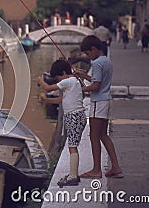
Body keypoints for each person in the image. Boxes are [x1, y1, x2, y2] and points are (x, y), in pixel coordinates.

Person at [75, 35, 123, 179]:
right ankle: (115, 167)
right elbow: (99, 82)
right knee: (103, 135)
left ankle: (96, 170)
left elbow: (95, 87)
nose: (88, 57)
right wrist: (84, 76)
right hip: (106, 100)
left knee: (94, 136)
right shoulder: (106, 61)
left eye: (88, 53)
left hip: (98, 103)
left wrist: (78, 89)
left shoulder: (96, 63)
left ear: (94, 49)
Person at [38, 60, 87, 187]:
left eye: (58, 77)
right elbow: (62, 99)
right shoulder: (73, 82)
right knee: (73, 145)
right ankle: (73, 174)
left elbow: (48, 87)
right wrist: (47, 100)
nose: (58, 80)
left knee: (72, 146)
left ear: (64, 73)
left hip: (74, 116)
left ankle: (72, 177)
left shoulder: (68, 81)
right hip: (77, 116)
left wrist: (41, 80)